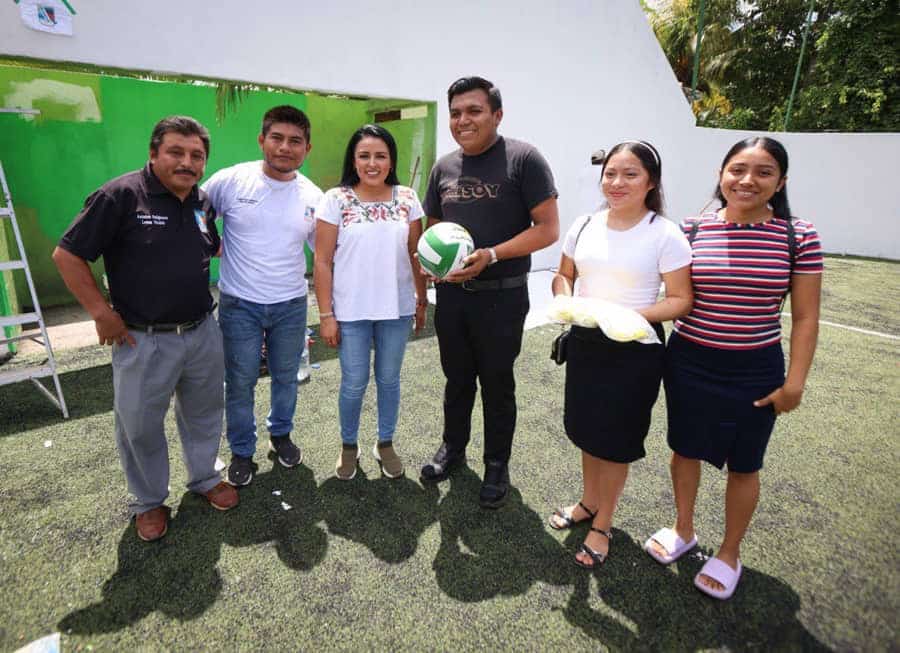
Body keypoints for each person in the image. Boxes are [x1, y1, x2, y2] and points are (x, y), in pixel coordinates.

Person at [644, 137, 823, 600]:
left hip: (755, 369)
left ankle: (729, 552)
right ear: (721, 174)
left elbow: (805, 318)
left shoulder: (797, 235)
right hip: (688, 361)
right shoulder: (691, 229)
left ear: (781, 182)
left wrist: (794, 384)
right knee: (684, 450)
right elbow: (668, 294)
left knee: (744, 466)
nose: (747, 181)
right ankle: (684, 530)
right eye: (737, 169)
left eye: (764, 172)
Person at [52, 116, 238, 542]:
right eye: (176, 152)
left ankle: (206, 478)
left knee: (205, 413)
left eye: (196, 156)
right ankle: (148, 500)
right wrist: (101, 313)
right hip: (142, 338)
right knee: (139, 425)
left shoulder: (202, 202)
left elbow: (209, 247)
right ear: (154, 153)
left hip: (201, 331)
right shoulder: (119, 196)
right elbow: (67, 255)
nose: (186, 162)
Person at [547, 141, 693, 568]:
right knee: (586, 430)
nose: (617, 182)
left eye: (630, 174)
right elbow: (563, 274)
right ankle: (589, 502)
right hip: (587, 343)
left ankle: (603, 523)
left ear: (651, 182)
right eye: (611, 173)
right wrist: (565, 302)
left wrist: (626, 316)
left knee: (614, 443)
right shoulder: (585, 224)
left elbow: (681, 299)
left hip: (634, 351)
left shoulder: (664, 233)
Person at [419, 76, 560, 508]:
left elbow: (548, 229)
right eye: (456, 112)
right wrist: (436, 267)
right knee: (456, 379)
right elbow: (432, 228)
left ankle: (497, 464)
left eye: (474, 111)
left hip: (503, 295)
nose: (464, 120)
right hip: (454, 297)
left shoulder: (524, 159)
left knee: (497, 384)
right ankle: (452, 450)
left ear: (496, 115)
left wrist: (492, 255)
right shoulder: (444, 167)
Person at [202, 105, 323, 487]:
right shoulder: (231, 180)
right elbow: (194, 210)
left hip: (291, 305)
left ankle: (281, 434)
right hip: (240, 306)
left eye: (295, 141)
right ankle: (241, 450)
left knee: (287, 377)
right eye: (277, 138)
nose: (285, 147)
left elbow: (324, 254)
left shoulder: (313, 196)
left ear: (307, 148)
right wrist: (211, 241)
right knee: (239, 382)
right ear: (262, 140)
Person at [314, 124, 428, 480]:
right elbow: (321, 260)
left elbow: (416, 255)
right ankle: (349, 445)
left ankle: (385, 443)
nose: (372, 163)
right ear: (354, 159)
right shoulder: (336, 199)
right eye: (364, 155)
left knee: (389, 379)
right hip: (351, 313)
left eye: (380, 155)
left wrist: (422, 299)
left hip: (396, 309)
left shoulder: (408, 198)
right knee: (353, 382)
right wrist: (326, 315)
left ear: (391, 159)